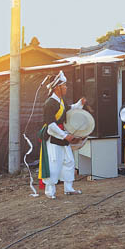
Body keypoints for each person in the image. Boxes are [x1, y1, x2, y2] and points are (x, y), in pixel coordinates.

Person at [39, 71, 86, 199]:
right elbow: (51, 125)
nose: (66, 87)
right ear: (57, 87)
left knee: (69, 161)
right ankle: (50, 191)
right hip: (53, 137)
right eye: (64, 85)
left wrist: (79, 104)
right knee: (54, 163)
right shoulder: (50, 103)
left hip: (62, 136)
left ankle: (68, 188)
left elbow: (68, 109)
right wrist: (64, 136)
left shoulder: (60, 101)